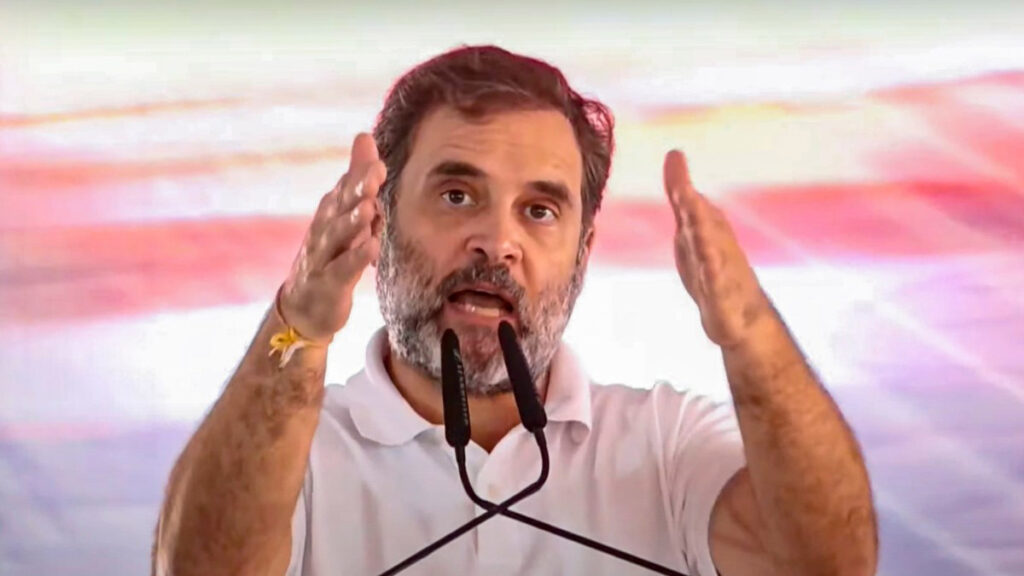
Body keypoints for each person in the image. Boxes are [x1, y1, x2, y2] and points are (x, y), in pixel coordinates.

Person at [152, 45, 878, 576]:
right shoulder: (297, 452)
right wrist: (299, 326)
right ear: (382, 219)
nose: (496, 242)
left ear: (582, 252)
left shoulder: (668, 445)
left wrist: (751, 335)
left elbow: (830, 566)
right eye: (457, 195)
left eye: (539, 210)